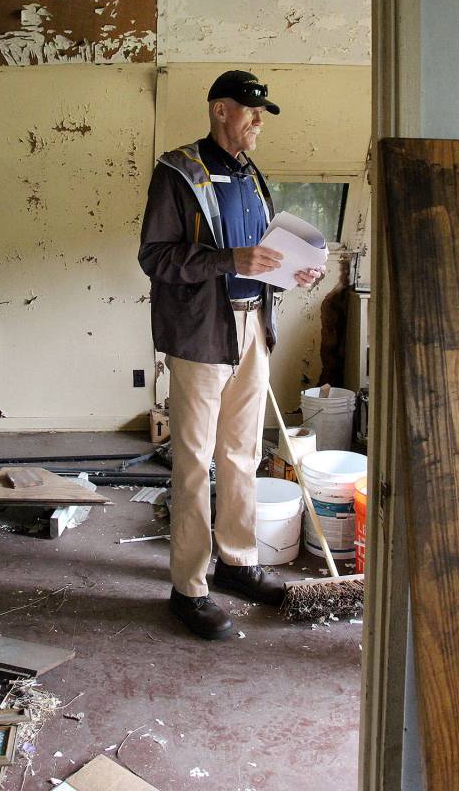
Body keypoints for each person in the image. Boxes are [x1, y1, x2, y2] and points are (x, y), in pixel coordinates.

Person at [138, 70, 324, 640]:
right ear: (220, 110)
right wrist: (228, 262)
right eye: (250, 112)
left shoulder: (251, 176)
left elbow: (261, 252)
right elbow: (157, 257)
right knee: (195, 460)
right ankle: (188, 588)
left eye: (261, 113)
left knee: (243, 453)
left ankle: (237, 563)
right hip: (200, 335)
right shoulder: (179, 173)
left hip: (253, 328)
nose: (258, 123)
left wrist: (297, 270)